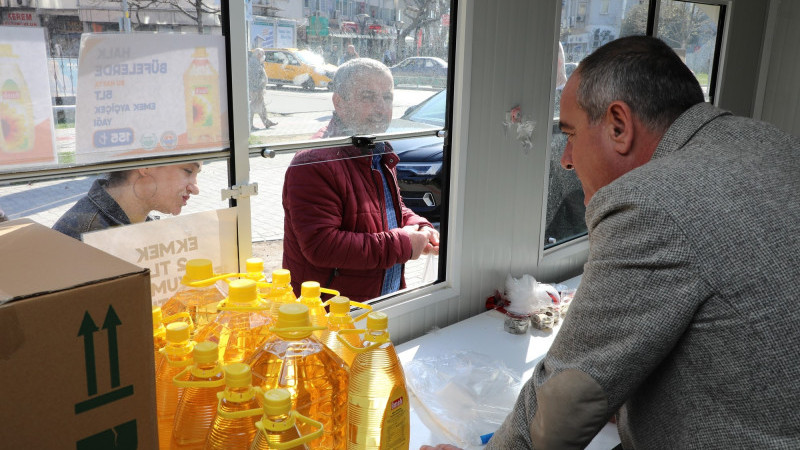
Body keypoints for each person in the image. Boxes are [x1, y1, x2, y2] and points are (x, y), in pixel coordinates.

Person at [423, 36, 800, 450]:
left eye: (570, 134)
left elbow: (564, 404)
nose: (566, 158)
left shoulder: (652, 200)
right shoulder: (772, 143)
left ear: (619, 125)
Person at [282, 58, 439, 301]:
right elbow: (322, 245)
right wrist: (403, 244)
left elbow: (388, 207)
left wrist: (419, 224)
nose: (380, 108)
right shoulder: (313, 161)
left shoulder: (376, 148)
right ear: (339, 103)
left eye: (387, 98)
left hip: (379, 299)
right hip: (334, 314)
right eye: (368, 97)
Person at [52, 163, 201, 240]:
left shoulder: (106, 226)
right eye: (188, 171)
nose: (195, 189)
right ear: (147, 165)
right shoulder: (88, 236)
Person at [248, 48, 277, 130]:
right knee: (253, 107)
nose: (264, 56)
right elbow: (254, 78)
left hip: (257, 89)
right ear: (258, 54)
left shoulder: (257, 62)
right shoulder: (254, 63)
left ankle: (266, 122)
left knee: (262, 106)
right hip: (256, 89)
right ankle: (250, 125)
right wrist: (258, 89)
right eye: (262, 54)